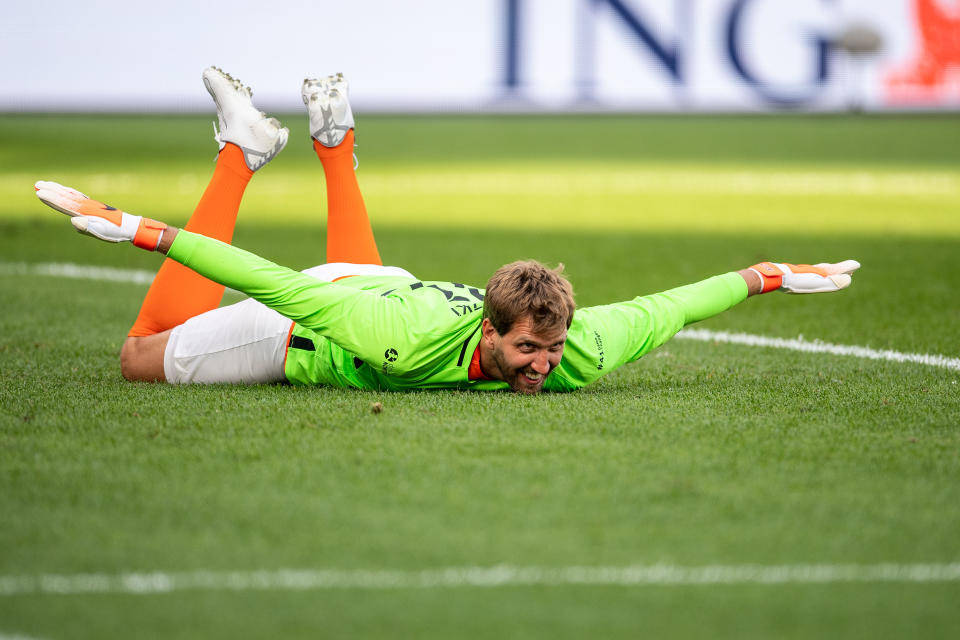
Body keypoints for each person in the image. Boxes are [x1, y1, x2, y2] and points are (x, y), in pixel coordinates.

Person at [35, 68, 860, 395]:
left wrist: (770, 276)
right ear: (493, 330)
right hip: (304, 321)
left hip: (380, 288)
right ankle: (240, 159)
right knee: (140, 357)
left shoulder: (575, 349)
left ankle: (329, 143)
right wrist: (143, 229)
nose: (544, 365)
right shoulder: (400, 338)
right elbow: (275, 281)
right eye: (530, 351)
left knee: (367, 282)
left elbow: (670, 306)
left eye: (550, 348)